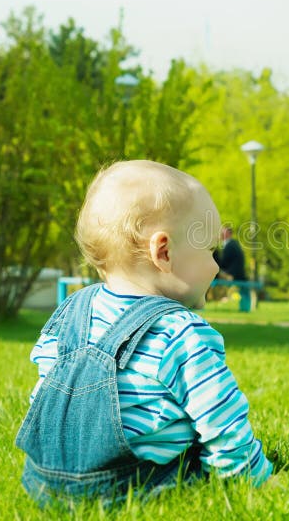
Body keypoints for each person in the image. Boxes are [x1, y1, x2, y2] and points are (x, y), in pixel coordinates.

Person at [15, 160, 273, 507]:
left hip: (46, 483)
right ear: (163, 252)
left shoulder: (69, 313)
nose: (215, 265)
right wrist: (255, 481)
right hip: (132, 486)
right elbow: (222, 423)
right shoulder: (182, 332)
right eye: (209, 250)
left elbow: (47, 396)